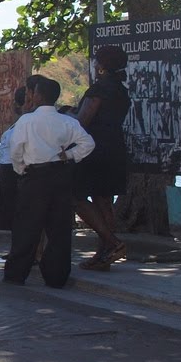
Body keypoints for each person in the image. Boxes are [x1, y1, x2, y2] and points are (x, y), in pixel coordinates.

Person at [3, 77, 95, 288]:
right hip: (60, 174)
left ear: (38, 95)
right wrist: (70, 155)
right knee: (59, 228)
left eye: (32, 92)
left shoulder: (26, 121)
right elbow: (88, 143)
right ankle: (56, 275)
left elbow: (16, 149)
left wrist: (20, 169)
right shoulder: (67, 121)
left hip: (34, 175)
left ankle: (16, 273)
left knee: (27, 227)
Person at [74, 45, 131, 271]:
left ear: (103, 65)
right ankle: (105, 253)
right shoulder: (121, 90)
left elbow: (83, 121)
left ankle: (113, 243)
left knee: (75, 196)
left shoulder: (99, 89)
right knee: (104, 200)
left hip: (94, 150)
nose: (95, 64)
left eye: (97, 61)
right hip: (115, 148)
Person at [0, 86, 28, 232]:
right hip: (8, 169)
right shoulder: (19, 123)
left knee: (19, 212)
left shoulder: (27, 123)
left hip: (15, 169)